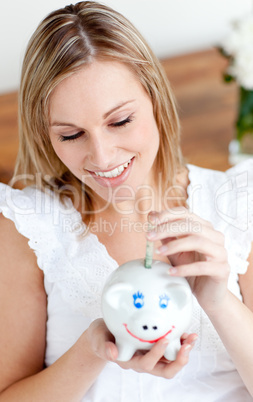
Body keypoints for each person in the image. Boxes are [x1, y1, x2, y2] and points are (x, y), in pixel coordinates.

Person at [0, 1, 253, 400]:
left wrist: (219, 302)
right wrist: (91, 351)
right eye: (70, 135)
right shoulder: (28, 226)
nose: (102, 158)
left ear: (154, 97)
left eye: (119, 121)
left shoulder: (238, 203)